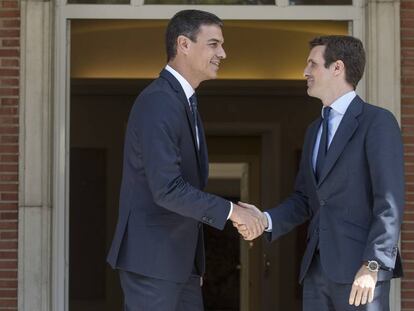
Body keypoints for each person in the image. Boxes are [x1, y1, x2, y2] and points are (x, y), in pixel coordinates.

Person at [107, 9, 265, 311]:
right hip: (153, 264)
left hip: (178, 266)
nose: (223, 53)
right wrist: (233, 212)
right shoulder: (158, 102)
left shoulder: (184, 102)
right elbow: (167, 188)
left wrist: (192, 264)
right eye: (214, 44)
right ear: (184, 44)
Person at [238, 35, 404, 310]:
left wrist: (372, 265)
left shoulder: (377, 122)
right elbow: (305, 199)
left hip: (360, 272)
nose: (305, 72)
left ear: (337, 68)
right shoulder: (314, 130)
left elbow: (389, 202)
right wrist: (266, 219)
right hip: (316, 272)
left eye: (312, 64)